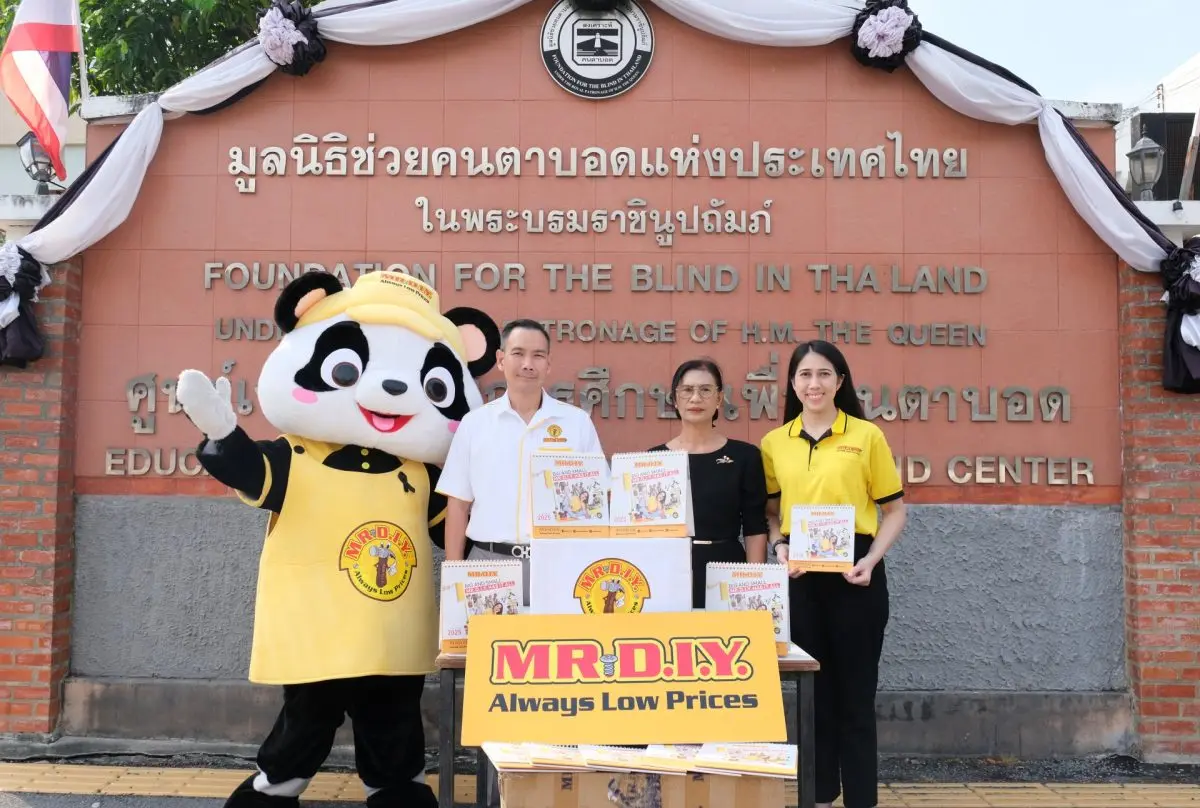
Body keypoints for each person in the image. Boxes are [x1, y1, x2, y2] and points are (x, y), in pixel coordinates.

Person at [759, 340, 907, 808]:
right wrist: (780, 548)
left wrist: (872, 559)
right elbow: (771, 511)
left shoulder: (866, 436)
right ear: (792, 383)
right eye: (805, 375)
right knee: (813, 699)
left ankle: (862, 799)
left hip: (855, 576)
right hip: (802, 578)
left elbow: (895, 511)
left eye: (824, 374)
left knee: (856, 698)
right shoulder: (774, 442)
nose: (814, 383)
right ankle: (820, 796)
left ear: (840, 382)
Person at [437, 318, 604, 605]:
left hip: (557, 566)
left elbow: (598, 504)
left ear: (548, 364)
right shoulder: (475, 424)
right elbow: (458, 505)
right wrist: (454, 576)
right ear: (501, 360)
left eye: (538, 355)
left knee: (554, 648)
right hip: (487, 564)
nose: (528, 363)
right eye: (518, 353)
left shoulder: (576, 424)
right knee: (487, 650)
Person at [648, 358, 768, 608]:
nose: (695, 398)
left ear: (719, 399)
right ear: (674, 398)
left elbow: (755, 527)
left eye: (705, 390)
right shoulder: (654, 459)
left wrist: (754, 582)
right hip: (667, 573)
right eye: (687, 390)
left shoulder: (744, 456)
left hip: (726, 570)